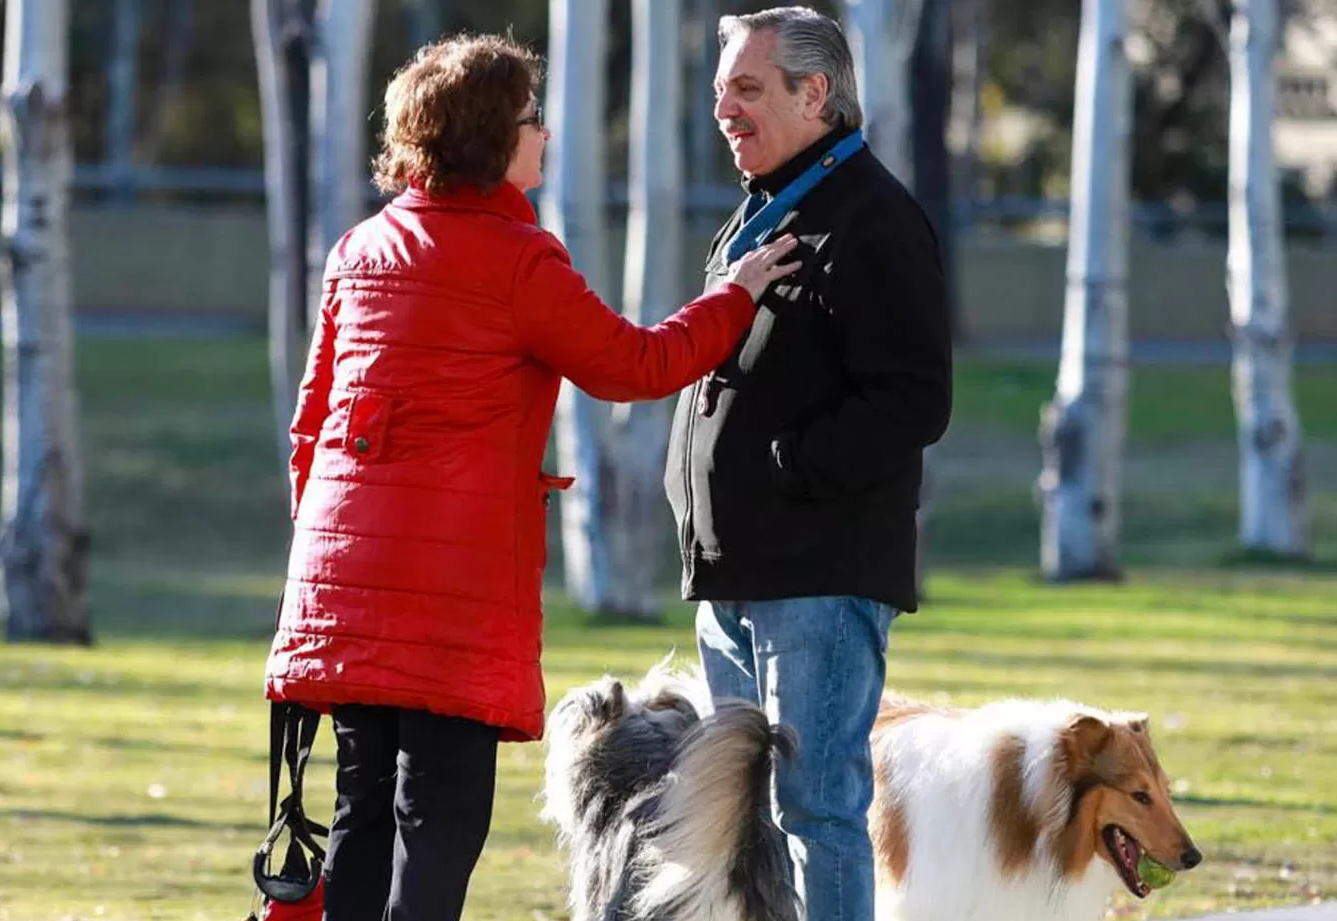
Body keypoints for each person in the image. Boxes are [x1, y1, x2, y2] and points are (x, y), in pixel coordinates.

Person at [263, 34, 798, 921]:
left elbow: (309, 428)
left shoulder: (359, 250)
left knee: (361, 811)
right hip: (452, 587)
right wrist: (735, 296)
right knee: (439, 817)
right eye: (531, 119)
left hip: (343, 585)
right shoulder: (517, 261)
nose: (544, 135)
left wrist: (329, 560)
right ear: (491, 139)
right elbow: (636, 363)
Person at [663, 7, 953, 921]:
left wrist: (783, 469)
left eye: (748, 89)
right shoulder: (762, 211)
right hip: (734, 577)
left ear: (815, 93)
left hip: (817, 578)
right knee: (744, 821)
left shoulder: (874, 218)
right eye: (721, 92)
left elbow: (913, 400)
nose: (726, 111)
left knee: (816, 809)